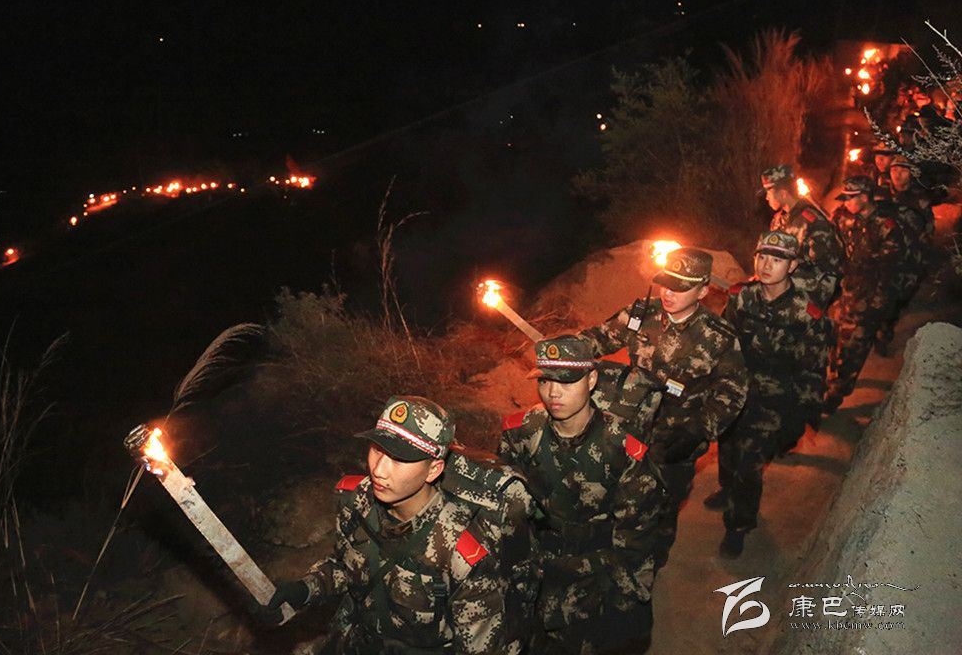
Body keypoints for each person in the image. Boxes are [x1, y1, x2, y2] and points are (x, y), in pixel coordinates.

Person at [263, 396, 534, 654]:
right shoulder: (357, 500)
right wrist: (306, 588)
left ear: (433, 470)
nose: (379, 470)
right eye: (378, 449)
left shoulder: (460, 554)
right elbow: (347, 565)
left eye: (400, 458)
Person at [577, 247, 748, 567]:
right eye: (666, 283)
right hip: (629, 428)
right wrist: (564, 354)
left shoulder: (718, 336)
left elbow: (733, 389)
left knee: (664, 503)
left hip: (676, 439)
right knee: (617, 494)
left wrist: (699, 429)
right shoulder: (641, 314)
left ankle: (655, 557)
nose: (668, 293)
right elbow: (598, 338)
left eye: (680, 288)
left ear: (703, 291)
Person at [499, 336, 662, 654]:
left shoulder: (621, 448)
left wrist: (620, 598)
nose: (553, 393)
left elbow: (635, 541)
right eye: (544, 381)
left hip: (595, 576)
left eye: (566, 382)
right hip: (535, 569)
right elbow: (506, 508)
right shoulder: (521, 432)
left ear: (591, 380)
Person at [703, 231, 832, 557]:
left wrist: (804, 415)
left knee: (750, 465)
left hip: (774, 402)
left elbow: (814, 368)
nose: (767, 265)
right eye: (762, 257)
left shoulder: (806, 314)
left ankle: (738, 525)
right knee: (728, 449)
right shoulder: (742, 298)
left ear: (793, 266)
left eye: (777, 260)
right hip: (737, 392)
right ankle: (727, 489)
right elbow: (724, 343)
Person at [825, 177, 906, 412]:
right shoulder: (845, 219)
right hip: (845, 294)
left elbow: (891, 269)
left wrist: (877, 304)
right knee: (835, 343)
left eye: (849, 198)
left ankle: (836, 394)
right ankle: (832, 380)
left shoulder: (886, 227)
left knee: (853, 349)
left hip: (869, 299)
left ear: (863, 197)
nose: (845, 203)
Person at [759, 165, 845, 309]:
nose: (766, 197)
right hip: (784, 293)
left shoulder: (813, 222)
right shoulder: (778, 220)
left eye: (769, 192)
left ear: (783, 194)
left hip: (807, 299)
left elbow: (828, 270)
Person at [875, 156, 936, 355]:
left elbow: (928, 229)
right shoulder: (880, 196)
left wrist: (922, 258)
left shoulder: (919, 199)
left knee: (900, 298)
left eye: (903, 170)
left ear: (911, 173)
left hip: (909, 260)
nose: (898, 175)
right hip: (884, 258)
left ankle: (888, 324)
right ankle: (881, 333)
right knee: (883, 296)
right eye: (894, 170)